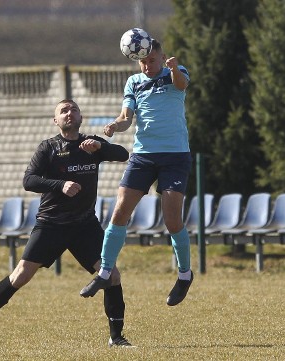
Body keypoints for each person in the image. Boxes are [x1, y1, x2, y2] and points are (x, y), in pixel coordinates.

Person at [0, 99, 134, 349]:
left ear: (80, 117)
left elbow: (123, 155)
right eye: (63, 111)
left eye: (73, 109)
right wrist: (60, 184)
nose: (69, 113)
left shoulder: (92, 144)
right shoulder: (48, 148)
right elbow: (29, 181)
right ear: (56, 120)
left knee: (112, 275)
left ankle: (116, 338)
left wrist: (100, 146)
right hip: (51, 224)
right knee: (20, 275)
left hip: (84, 226)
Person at [80, 39, 194, 306]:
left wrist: (175, 69)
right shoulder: (133, 82)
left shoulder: (176, 73)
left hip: (175, 157)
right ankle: (106, 271)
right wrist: (113, 126)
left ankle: (185, 275)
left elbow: (182, 85)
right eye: (142, 61)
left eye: (151, 60)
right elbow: (126, 118)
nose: (146, 65)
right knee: (119, 211)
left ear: (162, 57)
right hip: (143, 156)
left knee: (172, 220)